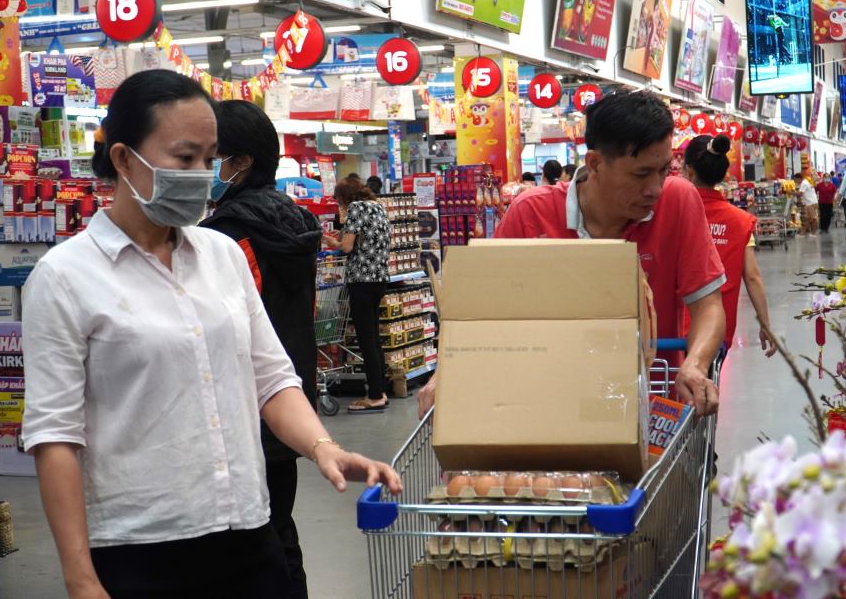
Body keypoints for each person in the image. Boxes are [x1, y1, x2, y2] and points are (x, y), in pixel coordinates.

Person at [21, 70, 401, 599]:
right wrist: (81, 578)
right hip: (141, 549)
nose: (202, 174)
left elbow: (269, 377)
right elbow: (54, 436)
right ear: (124, 159)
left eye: (209, 158)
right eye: (184, 158)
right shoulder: (64, 279)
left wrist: (324, 448)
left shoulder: (222, 255)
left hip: (248, 529)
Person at [419, 91, 725, 419]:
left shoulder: (678, 201)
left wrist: (695, 364)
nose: (655, 188)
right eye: (640, 174)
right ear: (594, 163)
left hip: (650, 411)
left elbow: (708, 306)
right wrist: (446, 372)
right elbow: (482, 314)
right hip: (550, 410)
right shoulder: (532, 214)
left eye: (663, 170)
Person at [200, 100, 322, 599]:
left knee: (245, 545)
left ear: (241, 162)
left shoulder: (226, 236)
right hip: (289, 404)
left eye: (208, 155)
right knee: (281, 530)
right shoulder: (295, 221)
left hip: (244, 411)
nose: (201, 168)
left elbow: (226, 334)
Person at [683, 133, 777, 357]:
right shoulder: (741, 222)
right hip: (716, 330)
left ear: (689, 171)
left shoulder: (672, 212)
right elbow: (752, 276)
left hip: (671, 328)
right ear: (723, 174)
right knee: (705, 387)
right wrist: (765, 324)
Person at [323, 181, 391, 413]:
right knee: (374, 338)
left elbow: (347, 247)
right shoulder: (378, 206)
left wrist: (330, 241)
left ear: (344, 198)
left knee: (366, 340)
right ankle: (380, 391)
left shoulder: (355, 209)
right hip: (379, 278)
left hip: (361, 279)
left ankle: (374, 396)